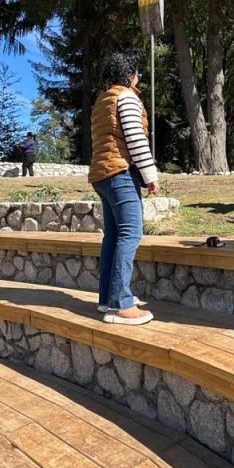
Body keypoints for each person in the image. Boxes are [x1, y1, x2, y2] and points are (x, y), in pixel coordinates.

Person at [88, 52, 158, 325]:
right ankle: (120, 305)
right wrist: (150, 175)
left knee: (113, 237)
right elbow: (135, 138)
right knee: (130, 234)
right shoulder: (126, 96)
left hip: (102, 174)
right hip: (120, 173)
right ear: (130, 75)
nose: (138, 79)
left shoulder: (102, 100)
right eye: (137, 74)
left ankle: (108, 299)